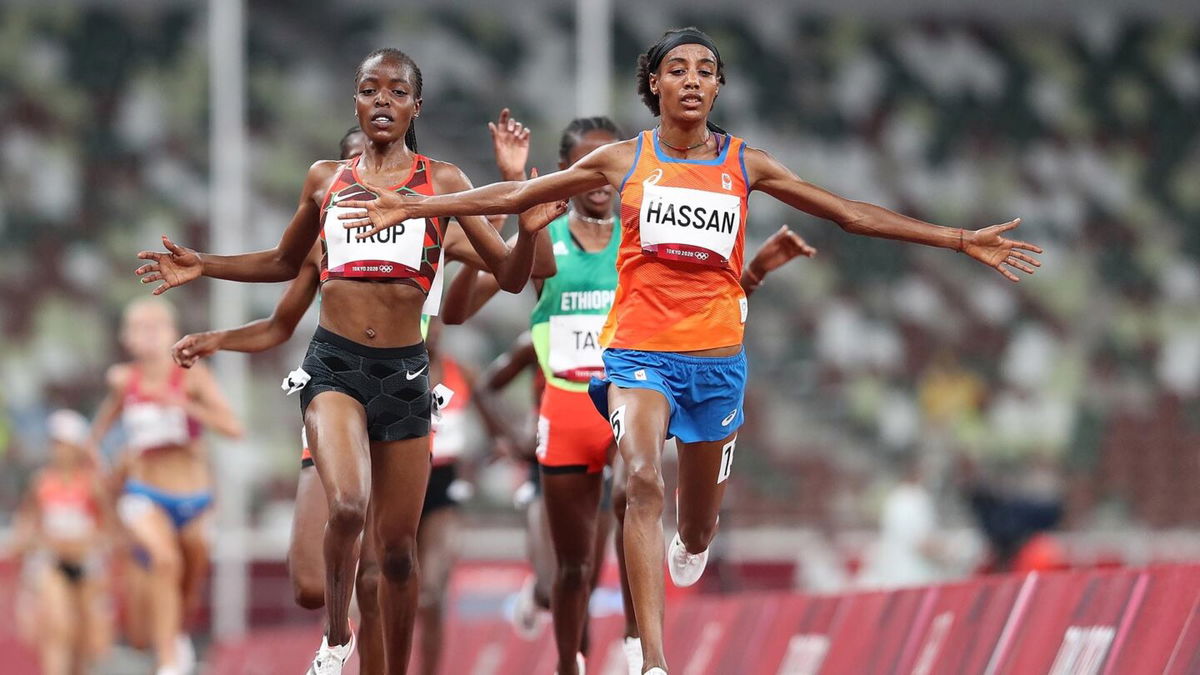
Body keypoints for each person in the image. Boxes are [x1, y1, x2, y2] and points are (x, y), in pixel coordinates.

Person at [331, 28, 1044, 673]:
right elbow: (517, 197)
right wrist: (416, 205)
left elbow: (847, 212)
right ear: (656, 86)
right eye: (679, 70)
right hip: (640, 348)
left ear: (719, 87)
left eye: (707, 70)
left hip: (716, 359)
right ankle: (653, 661)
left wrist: (958, 239)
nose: (694, 80)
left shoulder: (745, 163)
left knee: (695, 525)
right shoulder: (623, 160)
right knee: (640, 478)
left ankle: (692, 542)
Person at [136, 48, 564, 675]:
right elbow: (286, 263)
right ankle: (337, 639)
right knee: (346, 507)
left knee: (396, 555)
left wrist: (526, 231)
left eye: (396, 91)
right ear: (356, 102)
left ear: (416, 106)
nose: (382, 101)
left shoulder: (443, 183)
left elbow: (507, 274)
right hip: (334, 364)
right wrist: (207, 264)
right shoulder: (324, 179)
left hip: (407, 374)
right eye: (370, 90)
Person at [442, 116, 817, 674]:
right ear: (571, 171)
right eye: (587, 164)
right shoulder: (547, 240)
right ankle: (568, 656)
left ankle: (637, 641)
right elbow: (457, 310)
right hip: (566, 408)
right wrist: (510, 214)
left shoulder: (642, 236)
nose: (599, 181)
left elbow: (705, 306)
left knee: (636, 486)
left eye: (605, 164)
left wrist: (757, 266)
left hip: (631, 391)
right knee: (569, 573)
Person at [88, 298, 242, 675]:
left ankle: (175, 634)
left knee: (190, 574)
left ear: (173, 334)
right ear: (127, 337)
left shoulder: (193, 377)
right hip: (145, 492)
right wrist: (107, 468)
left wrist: (186, 407)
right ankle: (168, 662)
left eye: (156, 326)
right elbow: (95, 436)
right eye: (140, 327)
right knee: (164, 560)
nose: (149, 335)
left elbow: (233, 428)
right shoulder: (126, 380)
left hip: (194, 495)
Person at [8, 410, 115, 675]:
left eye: (62, 444)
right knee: (58, 630)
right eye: (54, 444)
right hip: (51, 561)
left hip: (86, 563)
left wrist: (87, 542)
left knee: (86, 641)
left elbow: (112, 531)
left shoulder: (93, 484)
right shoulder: (41, 482)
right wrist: (35, 543)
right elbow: (25, 527)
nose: (57, 451)